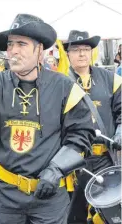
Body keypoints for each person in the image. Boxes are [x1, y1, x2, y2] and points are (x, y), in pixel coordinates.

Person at [0, 14, 95, 223]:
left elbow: (82, 134)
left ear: (40, 51)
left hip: (49, 196)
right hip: (6, 196)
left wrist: (56, 169)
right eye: (11, 44)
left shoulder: (64, 86)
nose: (13, 51)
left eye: (22, 44)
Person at [60, 30, 122, 224]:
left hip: (105, 157)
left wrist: (120, 132)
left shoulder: (112, 79)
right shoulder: (57, 83)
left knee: (108, 212)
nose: (81, 54)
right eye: (76, 49)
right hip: (74, 161)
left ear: (92, 52)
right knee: (74, 214)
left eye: (86, 49)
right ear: (67, 53)